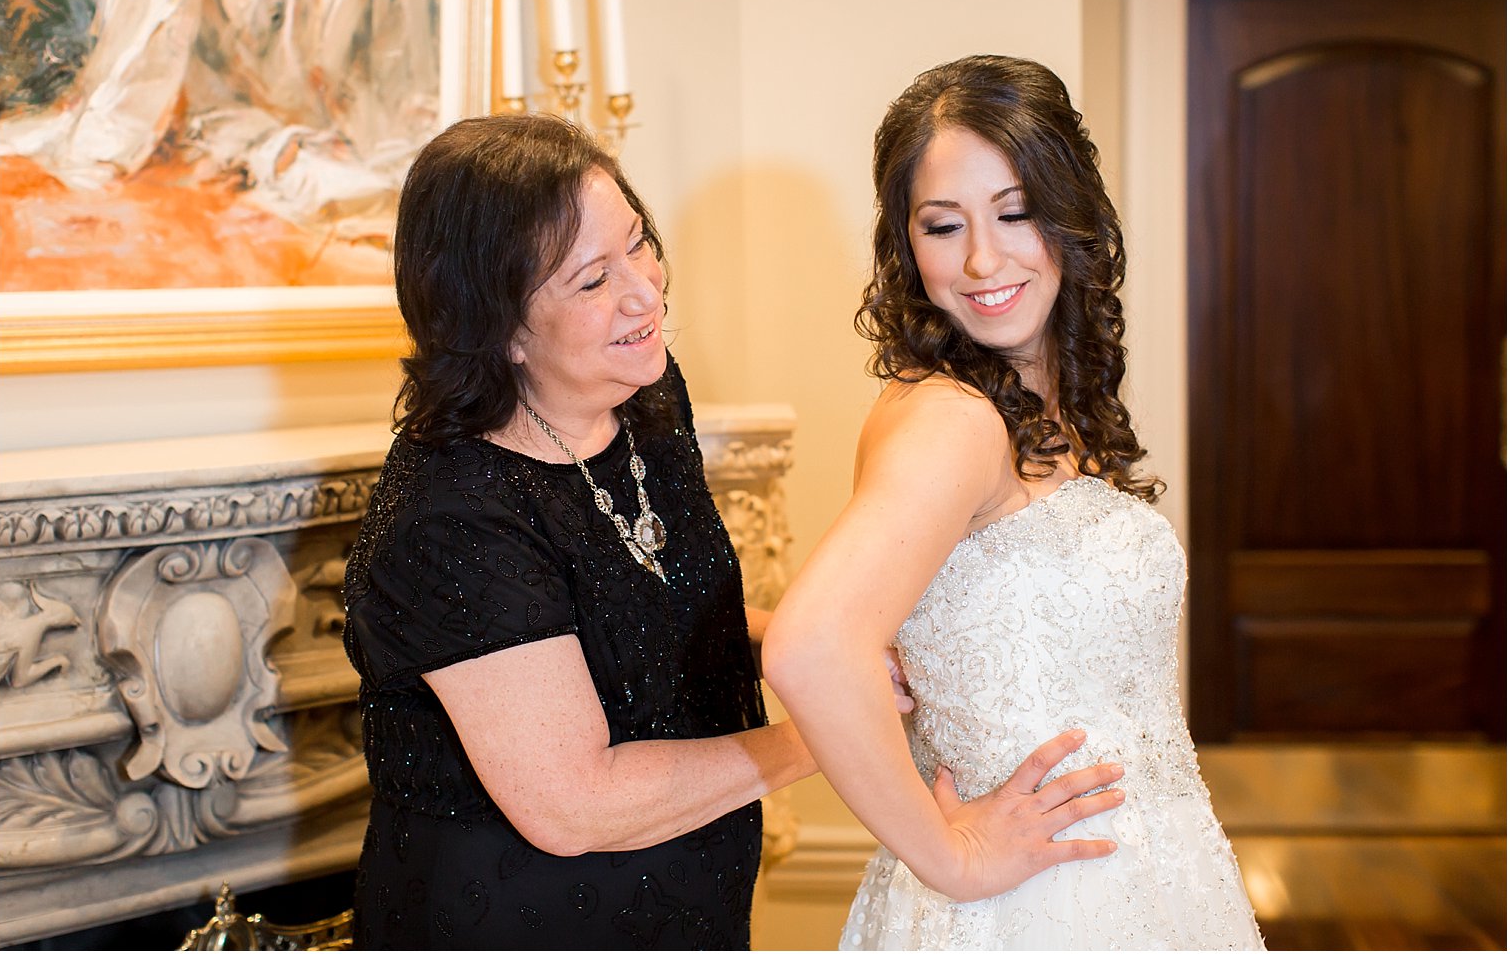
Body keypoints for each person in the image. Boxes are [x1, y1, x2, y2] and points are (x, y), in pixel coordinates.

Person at [341, 113, 1123, 949]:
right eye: (591, 280)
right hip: (516, 920)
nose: (645, 293)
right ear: (494, 326)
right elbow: (577, 803)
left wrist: (828, 649)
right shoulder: (450, 521)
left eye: (638, 243)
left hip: (687, 902)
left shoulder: (638, 397)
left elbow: (659, 620)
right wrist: (827, 724)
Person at [763, 56, 1266, 949]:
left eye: (1015, 212)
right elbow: (810, 648)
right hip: (1027, 909)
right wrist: (950, 859)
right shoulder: (952, 421)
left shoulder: (1037, 410)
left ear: (1069, 216)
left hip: (1145, 879)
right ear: (905, 245)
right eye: (943, 225)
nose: (983, 259)